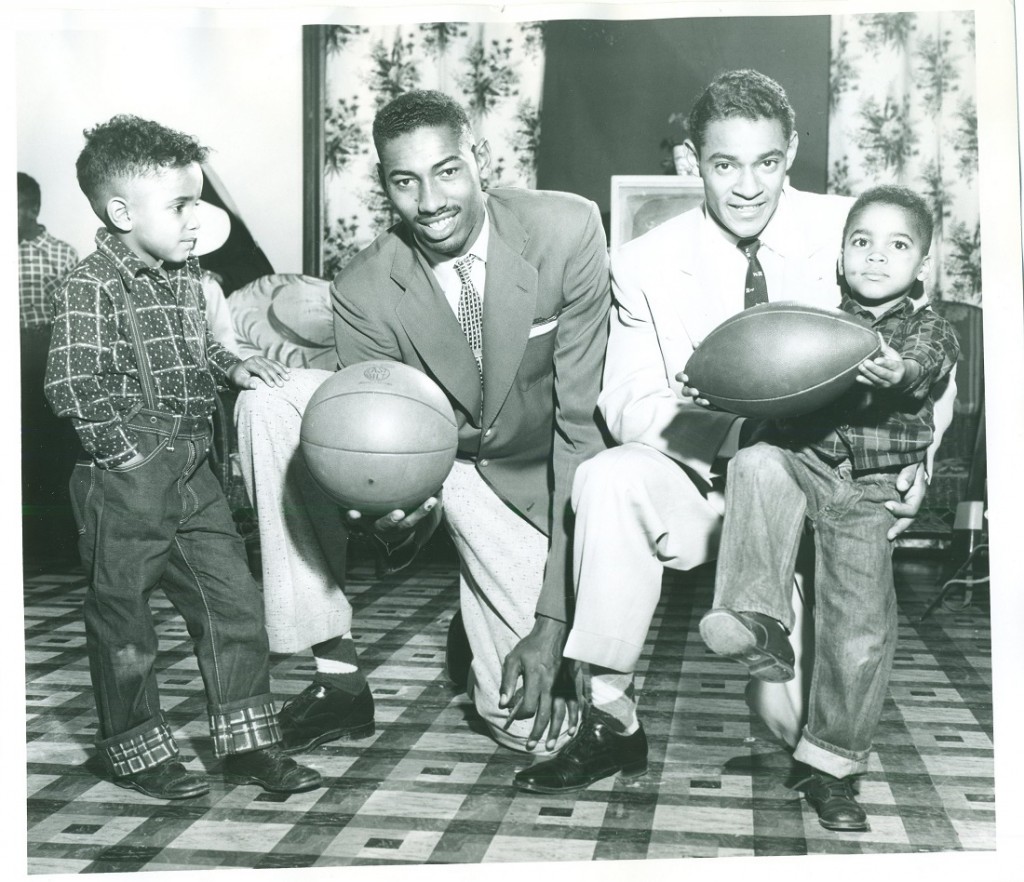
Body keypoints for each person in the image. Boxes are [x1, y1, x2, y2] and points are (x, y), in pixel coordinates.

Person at [513, 70, 955, 799]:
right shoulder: (645, 262)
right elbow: (628, 400)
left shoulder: (855, 230)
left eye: (766, 163)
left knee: (794, 729)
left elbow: (926, 352)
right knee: (608, 475)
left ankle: (797, 700)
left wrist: (921, 468)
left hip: (829, 488)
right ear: (694, 161)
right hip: (711, 482)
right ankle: (609, 718)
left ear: (792, 154)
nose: (747, 186)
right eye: (724, 164)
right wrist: (742, 426)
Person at [234, 89, 611, 756]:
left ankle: (481, 627)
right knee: (268, 403)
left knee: (535, 732)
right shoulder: (365, 287)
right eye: (405, 181)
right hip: (448, 468)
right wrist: (389, 514)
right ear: (385, 184)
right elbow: (386, 456)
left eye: (446, 171)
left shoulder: (567, 229)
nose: (430, 201)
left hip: (534, 480)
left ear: (480, 161)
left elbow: (579, 432)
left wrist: (553, 621)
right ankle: (338, 672)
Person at [44, 114, 321, 800]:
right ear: (120, 212)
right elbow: (69, 384)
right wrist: (131, 456)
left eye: (197, 200)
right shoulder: (90, 287)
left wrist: (237, 366)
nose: (198, 218)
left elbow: (201, 351)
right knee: (126, 626)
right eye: (180, 205)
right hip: (125, 482)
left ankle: (249, 745)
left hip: (194, 475)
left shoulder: (188, 276)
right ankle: (132, 752)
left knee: (234, 606)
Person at [699, 185, 959, 830]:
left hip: (869, 491)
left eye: (897, 246)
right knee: (755, 462)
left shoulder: (929, 327)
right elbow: (771, 380)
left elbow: (925, 366)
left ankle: (832, 768)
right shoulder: (815, 323)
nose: (876, 257)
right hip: (805, 462)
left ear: (921, 265)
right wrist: (719, 383)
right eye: (861, 242)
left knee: (858, 629)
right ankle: (756, 619)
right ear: (841, 256)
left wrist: (898, 372)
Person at [19, 171, 80, 563]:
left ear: (32, 208)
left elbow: (70, 318)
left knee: (50, 449)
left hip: (42, 355)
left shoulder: (61, 252)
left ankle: (57, 546)